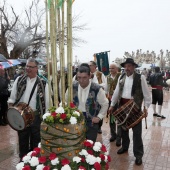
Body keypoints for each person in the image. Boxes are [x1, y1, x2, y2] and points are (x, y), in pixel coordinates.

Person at [109, 58, 151, 166]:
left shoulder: (140, 78)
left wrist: (146, 107)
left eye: (129, 66)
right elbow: (117, 92)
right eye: (125, 66)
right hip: (123, 106)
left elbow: (147, 95)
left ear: (134, 67)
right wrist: (112, 105)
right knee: (123, 130)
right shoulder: (121, 77)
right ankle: (125, 147)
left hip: (135, 108)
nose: (127, 68)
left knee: (137, 133)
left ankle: (138, 155)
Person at [8, 58, 49, 161]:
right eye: (27, 66)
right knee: (22, 141)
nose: (28, 69)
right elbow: (12, 98)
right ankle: (23, 161)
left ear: (36, 68)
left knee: (36, 141)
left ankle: (35, 163)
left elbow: (47, 102)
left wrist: (45, 117)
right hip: (21, 116)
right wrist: (11, 110)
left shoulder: (44, 83)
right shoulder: (19, 80)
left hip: (35, 117)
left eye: (31, 67)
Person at [66, 65, 108, 142]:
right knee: (75, 143)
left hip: (91, 122)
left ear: (89, 76)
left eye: (84, 77)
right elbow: (65, 101)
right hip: (75, 120)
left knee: (90, 145)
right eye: (79, 77)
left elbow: (105, 104)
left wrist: (99, 117)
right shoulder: (72, 87)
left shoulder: (97, 88)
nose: (81, 80)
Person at [105, 63, 121, 145]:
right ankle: (113, 135)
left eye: (113, 68)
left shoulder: (121, 76)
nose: (111, 70)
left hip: (120, 100)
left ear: (117, 69)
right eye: (110, 68)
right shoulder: (107, 77)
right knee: (112, 117)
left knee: (120, 118)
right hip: (111, 99)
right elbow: (106, 88)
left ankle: (119, 137)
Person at [88, 61, 106, 134]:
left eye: (90, 65)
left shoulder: (100, 74)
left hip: (98, 95)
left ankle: (99, 127)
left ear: (95, 66)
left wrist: (97, 86)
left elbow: (105, 84)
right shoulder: (87, 73)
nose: (89, 67)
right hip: (89, 96)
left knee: (98, 110)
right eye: (88, 65)